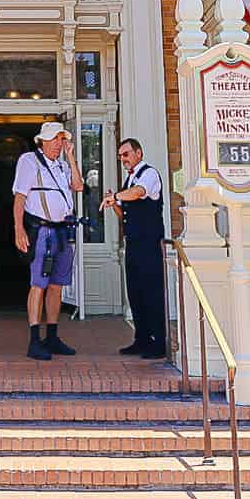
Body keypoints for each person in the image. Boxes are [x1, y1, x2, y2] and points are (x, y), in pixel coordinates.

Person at [12, 121, 84, 361]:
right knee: (39, 284)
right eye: (54, 139)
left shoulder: (63, 166)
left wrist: (71, 158)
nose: (58, 144)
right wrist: (18, 229)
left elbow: (79, 186)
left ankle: (52, 336)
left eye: (61, 139)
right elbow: (20, 197)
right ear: (42, 141)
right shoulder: (29, 161)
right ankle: (34, 340)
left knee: (57, 285)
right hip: (42, 231)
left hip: (62, 231)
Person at [103, 137, 166, 359]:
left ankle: (158, 343)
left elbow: (139, 193)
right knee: (136, 293)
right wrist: (114, 205)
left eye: (126, 154)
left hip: (149, 244)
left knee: (152, 293)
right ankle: (141, 339)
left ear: (138, 153)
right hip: (133, 243)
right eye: (120, 156)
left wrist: (117, 196)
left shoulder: (148, 174)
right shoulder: (128, 181)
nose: (123, 159)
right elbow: (125, 213)